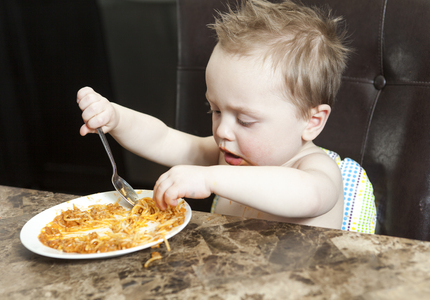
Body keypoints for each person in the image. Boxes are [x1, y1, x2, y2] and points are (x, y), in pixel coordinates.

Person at [77, 0, 376, 231]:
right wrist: (116, 117)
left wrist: (210, 178)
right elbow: (163, 138)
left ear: (312, 122)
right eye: (216, 110)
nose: (222, 131)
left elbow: (307, 196)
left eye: (245, 120)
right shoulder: (227, 154)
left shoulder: (318, 172)